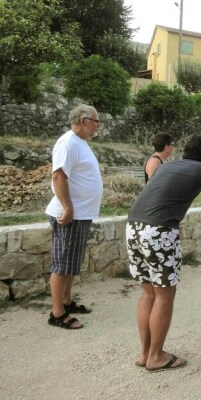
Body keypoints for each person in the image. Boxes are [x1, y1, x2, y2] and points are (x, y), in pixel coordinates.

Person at [126, 134, 201, 372]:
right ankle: (156, 357)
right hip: (159, 231)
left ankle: (145, 353)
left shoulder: (167, 166)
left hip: (134, 226)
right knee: (165, 296)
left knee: (148, 293)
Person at [46, 104, 103, 330]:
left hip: (80, 214)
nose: (98, 125)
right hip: (71, 213)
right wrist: (67, 207)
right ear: (83, 121)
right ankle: (57, 312)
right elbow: (59, 176)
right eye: (96, 121)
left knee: (71, 262)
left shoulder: (80, 143)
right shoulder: (68, 142)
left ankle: (67, 302)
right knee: (62, 263)